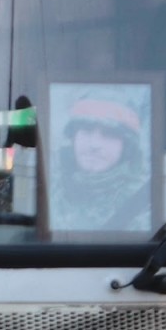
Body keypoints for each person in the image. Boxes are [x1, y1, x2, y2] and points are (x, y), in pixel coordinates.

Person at [51, 94, 152, 234]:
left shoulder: (145, 203)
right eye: (86, 130)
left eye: (109, 134)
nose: (94, 144)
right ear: (73, 137)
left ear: (126, 147)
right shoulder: (48, 185)